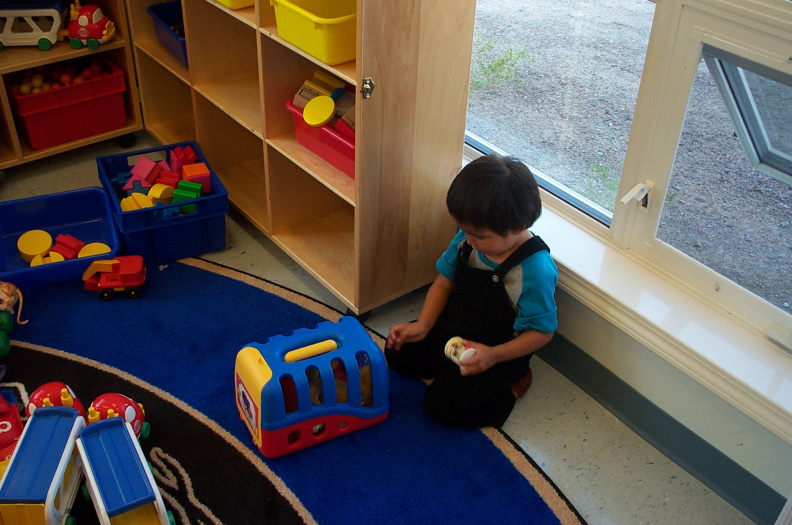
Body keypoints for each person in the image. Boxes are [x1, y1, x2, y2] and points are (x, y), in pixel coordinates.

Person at [385, 153, 558, 428]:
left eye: (480, 236)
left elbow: (543, 332)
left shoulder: (535, 269)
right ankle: (451, 370)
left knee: (440, 405)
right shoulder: (469, 239)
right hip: (455, 332)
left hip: (498, 354)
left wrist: (492, 356)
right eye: (465, 231)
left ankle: (512, 387)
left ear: (518, 226)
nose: (469, 241)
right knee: (398, 350)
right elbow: (443, 282)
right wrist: (423, 325)